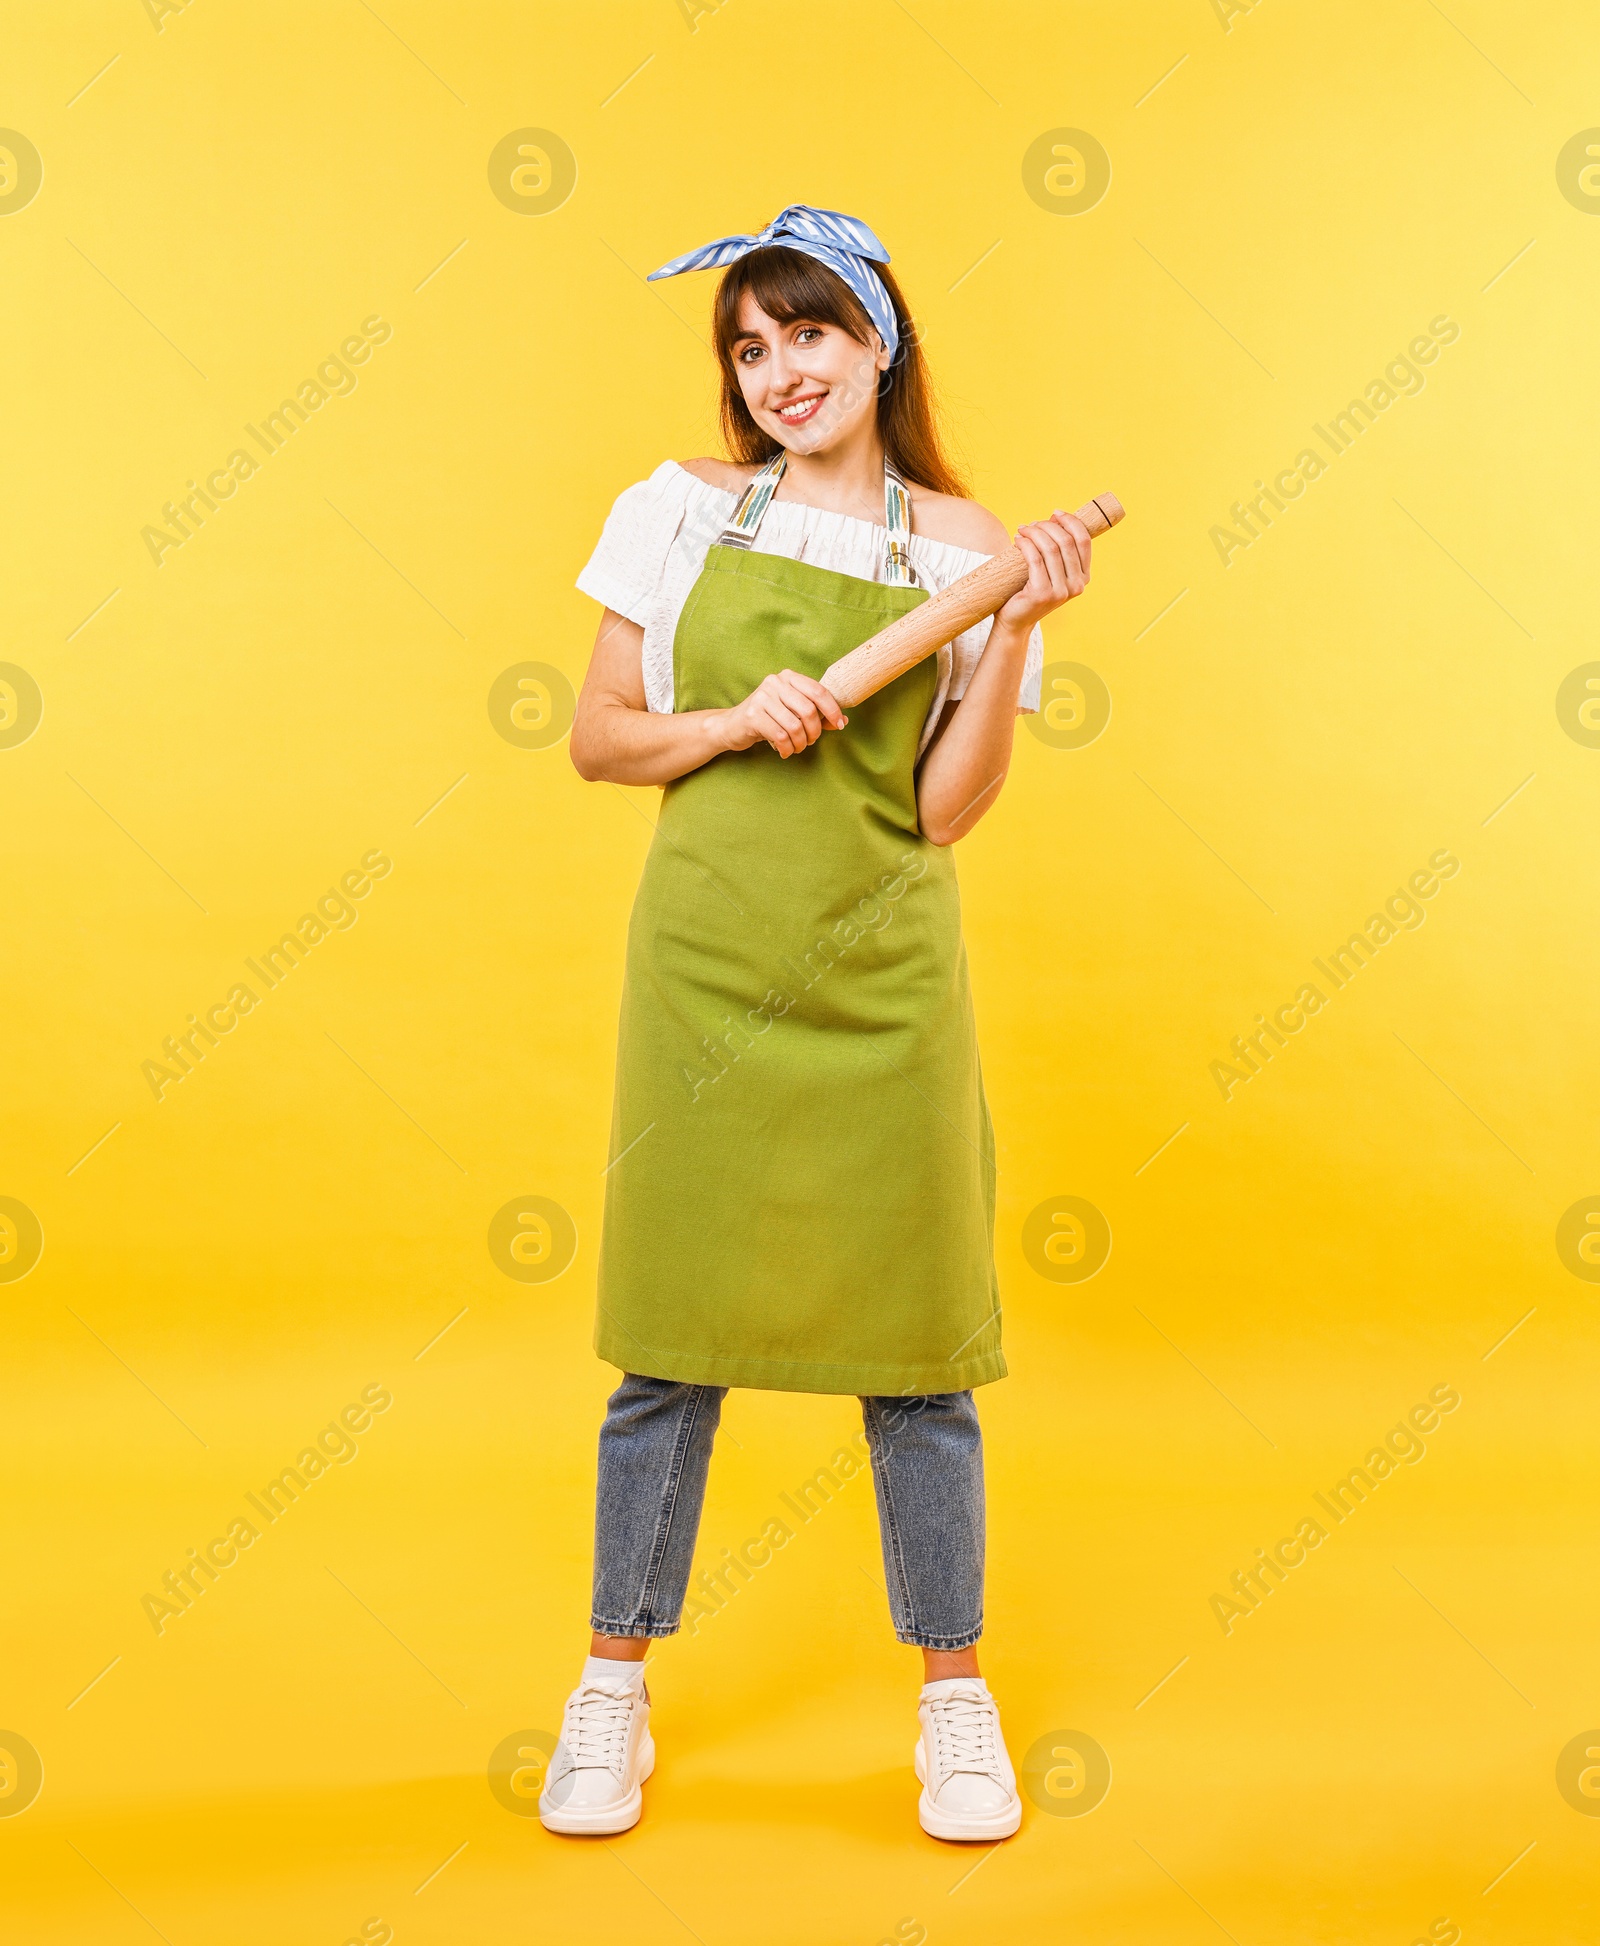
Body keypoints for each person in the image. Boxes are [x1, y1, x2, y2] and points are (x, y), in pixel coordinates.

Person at [544, 205, 1096, 1843]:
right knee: (667, 1349)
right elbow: (595, 738)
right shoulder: (677, 510)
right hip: (707, 971)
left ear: (880, 343)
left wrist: (1008, 634)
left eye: (811, 335)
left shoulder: (968, 546)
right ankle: (611, 1695)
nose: (781, 371)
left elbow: (944, 811)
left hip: (884, 984)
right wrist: (725, 717)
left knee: (921, 1360)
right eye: (751, 345)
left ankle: (955, 1702)